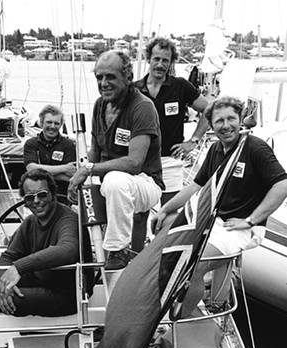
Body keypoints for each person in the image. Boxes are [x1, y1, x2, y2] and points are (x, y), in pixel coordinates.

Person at [152, 96, 287, 315]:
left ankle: (177, 322)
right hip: (216, 222)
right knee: (167, 237)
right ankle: (175, 300)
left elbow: (282, 184)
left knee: (194, 267)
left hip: (240, 228)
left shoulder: (255, 148)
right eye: (219, 121)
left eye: (231, 118)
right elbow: (195, 185)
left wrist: (251, 220)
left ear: (240, 118)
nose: (226, 126)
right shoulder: (216, 149)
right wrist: (165, 209)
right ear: (212, 126)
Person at [68, 50, 164, 270]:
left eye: (110, 77)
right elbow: (95, 151)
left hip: (145, 182)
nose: (104, 83)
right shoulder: (99, 106)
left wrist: (89, 169)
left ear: (127, 77)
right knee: (99, 185)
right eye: (99, 77)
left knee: (115, 180)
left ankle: (118, 250)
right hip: (111, 183)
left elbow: (134, 163)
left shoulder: (142, 107)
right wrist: (80, 176)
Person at [0, 169, 93, 317]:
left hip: (67, 295)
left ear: (53, 194)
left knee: (12, 299)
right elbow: (7, 257)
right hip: (41, 282)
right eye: (29, 197)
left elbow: (68, 249)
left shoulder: (69, 220)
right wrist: (5, 284)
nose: (36, 201)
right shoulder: (30, 223)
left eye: (42, 195)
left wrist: (18, 268)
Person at [134, 37, 209, 202]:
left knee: (169, 214)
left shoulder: (181, 86)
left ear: (171, 63)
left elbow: (209, 110)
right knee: (139, 216)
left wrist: (194, 141)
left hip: (170, 161)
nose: (160, 64)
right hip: (140, 162)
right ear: (149, 59)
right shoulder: (134, 90)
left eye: (165, 60)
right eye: (157, 59)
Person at [23, 104, 76, 196]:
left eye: (56, 123)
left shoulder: (69, 145)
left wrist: (38, 173)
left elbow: (68, 176)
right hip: (36, 196)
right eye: (49, 122)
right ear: (42, 123)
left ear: (61, 125)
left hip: (60, 196)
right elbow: (31, 169)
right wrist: (64, 168)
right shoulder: (31, 144)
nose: (52, 126)